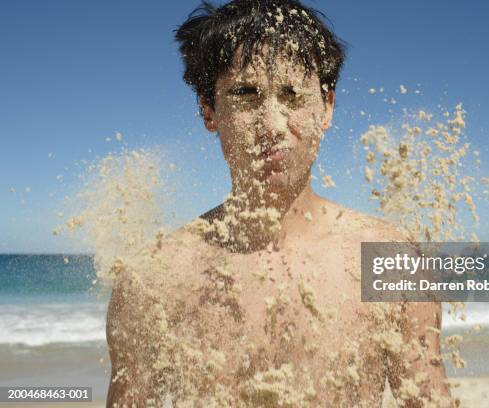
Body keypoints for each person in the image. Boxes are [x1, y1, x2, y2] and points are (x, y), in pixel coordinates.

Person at [106, 1, 453, 407]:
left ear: (326, 107)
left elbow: (428, 398)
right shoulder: (156, 277)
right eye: (246, 94)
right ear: (208, 109)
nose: (271, 126)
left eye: (292, 95)